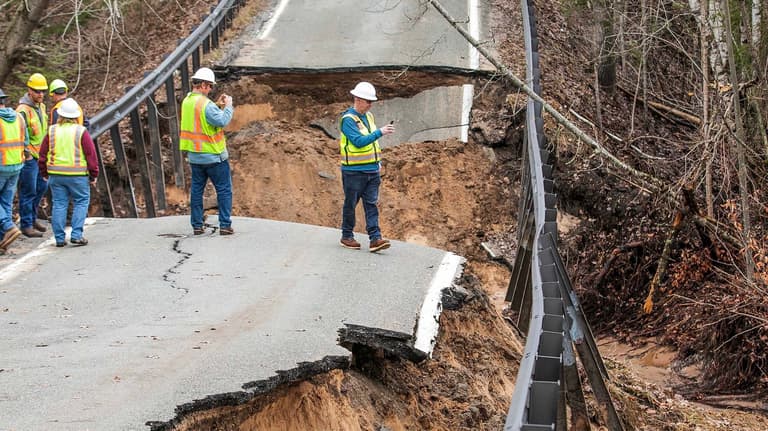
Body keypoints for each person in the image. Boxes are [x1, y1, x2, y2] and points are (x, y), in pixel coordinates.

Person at [338, 82, 394, 253]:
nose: (370, 105)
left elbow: (372, 143)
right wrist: (380, 132)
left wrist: (377, 163)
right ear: (357, 99)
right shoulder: (348, 120)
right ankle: (347, 235)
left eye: (371, 101)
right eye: (368, 101)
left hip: (371, 170)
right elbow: (359, 142)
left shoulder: (369, 117)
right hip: (353, 172)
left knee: (371, 204)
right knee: (350, 204)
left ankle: (375, 239)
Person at [179, 67, 234, 236]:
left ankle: (197, 225)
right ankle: (225, 225)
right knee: (224, 190)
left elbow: (202, 118)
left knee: (197, 191)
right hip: (214, 156)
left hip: (195, 157)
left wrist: (217, 105)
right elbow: (221, 120)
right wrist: (228, 107)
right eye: (209, 86)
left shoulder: (187, 101)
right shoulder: (206, 105)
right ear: (202, 85)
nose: (210, 89)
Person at [38, 98, 99, 247]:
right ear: (76, 116)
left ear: (60, 115)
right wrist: (93, 175)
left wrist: (44, 173)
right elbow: (91, 154)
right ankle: (76, 235)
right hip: (78, 176)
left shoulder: (51, 131)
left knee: (59, 204)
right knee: (81, 202)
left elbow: (42, 154)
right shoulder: (81, 132)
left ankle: (59, 238)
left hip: (56, 175)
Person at [16, 72, 49, 238]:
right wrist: (27, 154)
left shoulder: (41, 107)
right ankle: (26, 224)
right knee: (28, 191)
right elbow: (19, 134)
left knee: (41, 188)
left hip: (41, 155)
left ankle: (33, 217)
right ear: (29, 90)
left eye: (43, 91)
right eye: (37, 91)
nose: (41, 94)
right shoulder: (23, 110)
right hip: (29, 158)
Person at [0, 89, 26, 253]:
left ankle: (8, 227)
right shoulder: (19, 117)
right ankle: (4, 240)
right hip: (16, 164)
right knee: (6, 202)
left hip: (1, 165)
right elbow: (26, 140)